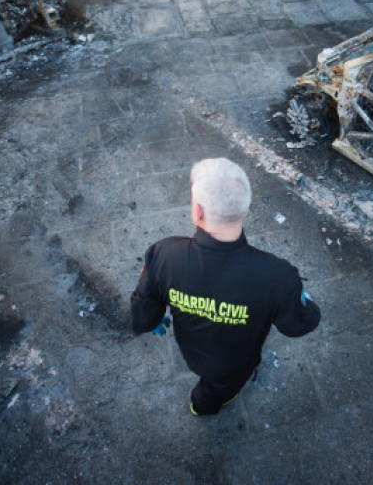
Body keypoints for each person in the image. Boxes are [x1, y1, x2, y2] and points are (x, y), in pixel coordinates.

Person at [130, 157, 321, 416]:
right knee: (221, 388)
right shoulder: (278, 277)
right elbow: (299, 325)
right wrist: (297, 296)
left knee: (212, 386)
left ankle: (203, 406)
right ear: (244, 209)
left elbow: (144, 305)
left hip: (192, 351)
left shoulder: (163, 254)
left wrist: (149, 321)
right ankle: (204, 404)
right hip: (235, 364)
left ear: (198, 212)